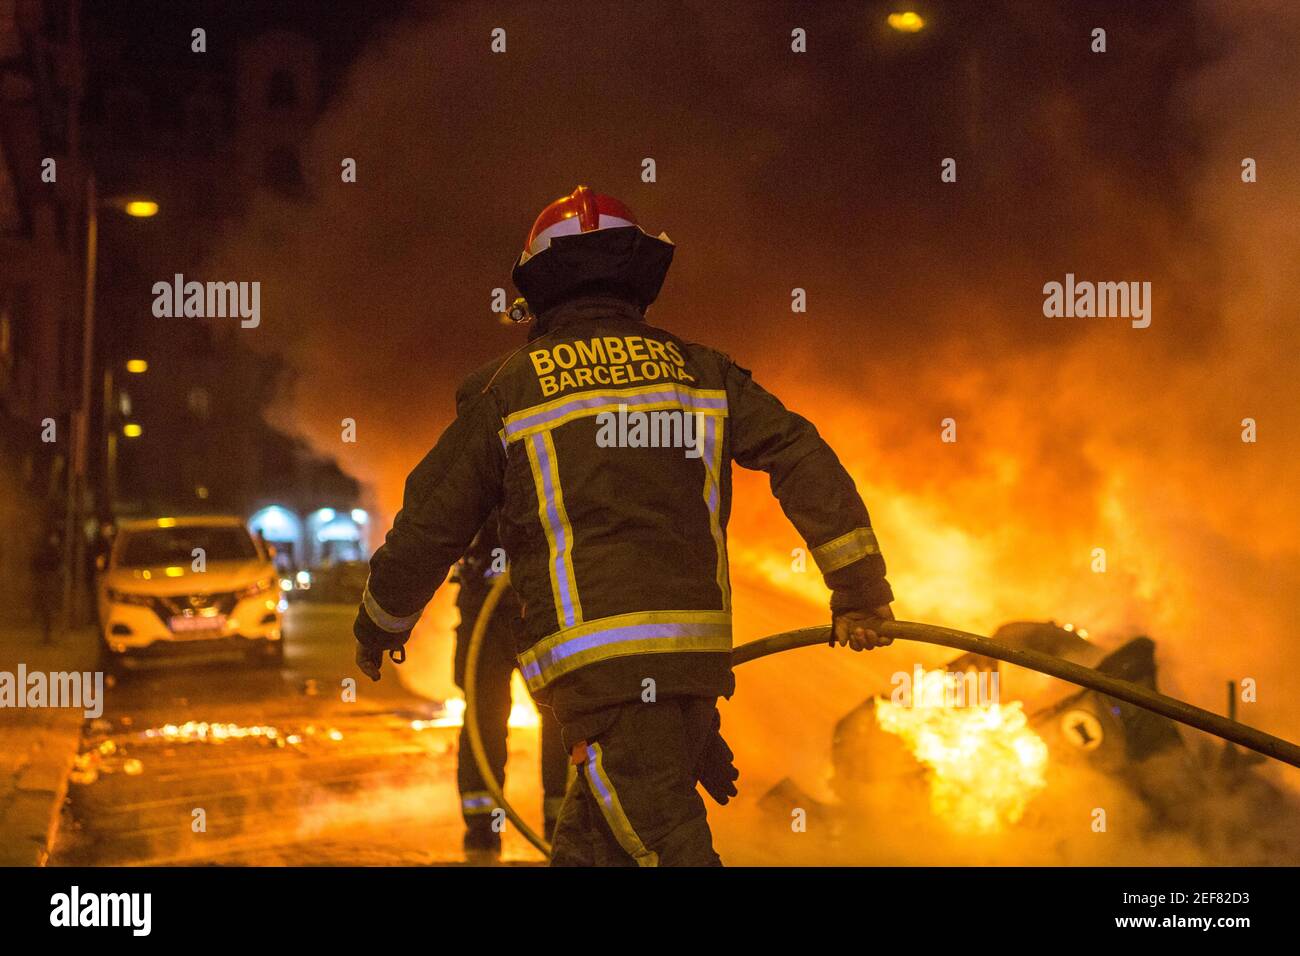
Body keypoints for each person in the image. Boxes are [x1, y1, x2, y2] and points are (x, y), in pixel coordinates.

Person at [354, 185, 895, 866]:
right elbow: (799, 452)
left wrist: (382, 619)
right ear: (638, 277)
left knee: (671, 852)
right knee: (589, 851)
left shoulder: (512, 390)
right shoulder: (702, 373)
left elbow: (433, 519)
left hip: (601, 679)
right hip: (690, 668)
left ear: (540, 286)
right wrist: (858, 587)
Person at [451, 513, 567, 860]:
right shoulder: (482, 464)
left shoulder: (552, 463)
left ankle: (563, 821)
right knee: (485, 719)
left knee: (563, 713)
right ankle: (482, 826)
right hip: (490, 609)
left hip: (542, 606)